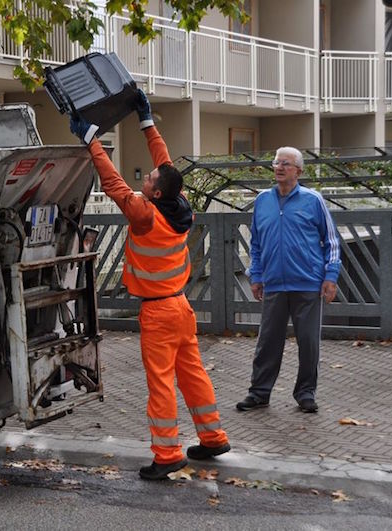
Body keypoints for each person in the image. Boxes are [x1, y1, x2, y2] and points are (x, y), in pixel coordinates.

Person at [69, 89, 231, 480]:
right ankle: (213, 438)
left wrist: (90, 140)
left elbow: (113, 184)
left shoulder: (145, 216)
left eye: (151, 179)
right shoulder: (181, 206)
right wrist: (146, 122)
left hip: (158, 312)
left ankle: (167, 454)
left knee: (161, 384)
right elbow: (166, 163)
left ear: (155, 192)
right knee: (192, 374)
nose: (148, 175)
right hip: (181, 307)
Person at [238, 147, 341, 414]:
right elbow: (256, 243)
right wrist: (256, 275)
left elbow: (331, 241)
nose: (279, 167)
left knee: (308, 342)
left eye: (286, 163)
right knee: (268, 342)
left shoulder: (313, 200)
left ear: (299, 170)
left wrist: (330, 276)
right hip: (274, 284)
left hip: (307, 283)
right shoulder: (263, 201)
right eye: (276, 162)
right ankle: (259, 392)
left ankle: (306, 393)